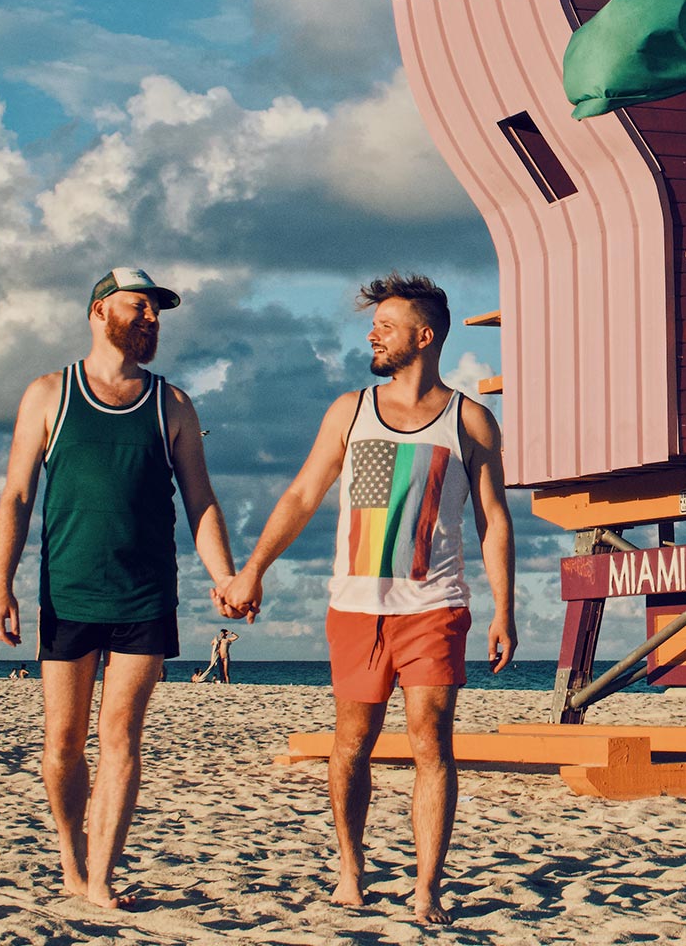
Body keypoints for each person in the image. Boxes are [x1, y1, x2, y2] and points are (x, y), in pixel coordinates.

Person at [220, 273, 515, 926]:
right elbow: (301, 495)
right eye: (374, 324)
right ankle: (351, 870)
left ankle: (426, 888)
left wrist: (505, 608)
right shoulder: (349, 411)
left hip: (434, 606)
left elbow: (495, 519)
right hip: (355, 609)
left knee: (432, 743)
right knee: (351, 741)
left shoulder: (469, 419)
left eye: (386, 324)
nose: (373, 334)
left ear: (425, 335)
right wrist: (253, 570)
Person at [0, 266, 240, 910]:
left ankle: (101, 876)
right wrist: (2, 586)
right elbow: (17, 496)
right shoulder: (49, 393)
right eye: (140, 308)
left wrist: (224, 574)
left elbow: (201, 501)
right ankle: (72, 858)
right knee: (63, 745)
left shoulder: (173, 404)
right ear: (99, 311)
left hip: (146, 596)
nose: (151, 319)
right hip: (67, 593)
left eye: (157, 311)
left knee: (122, 734)